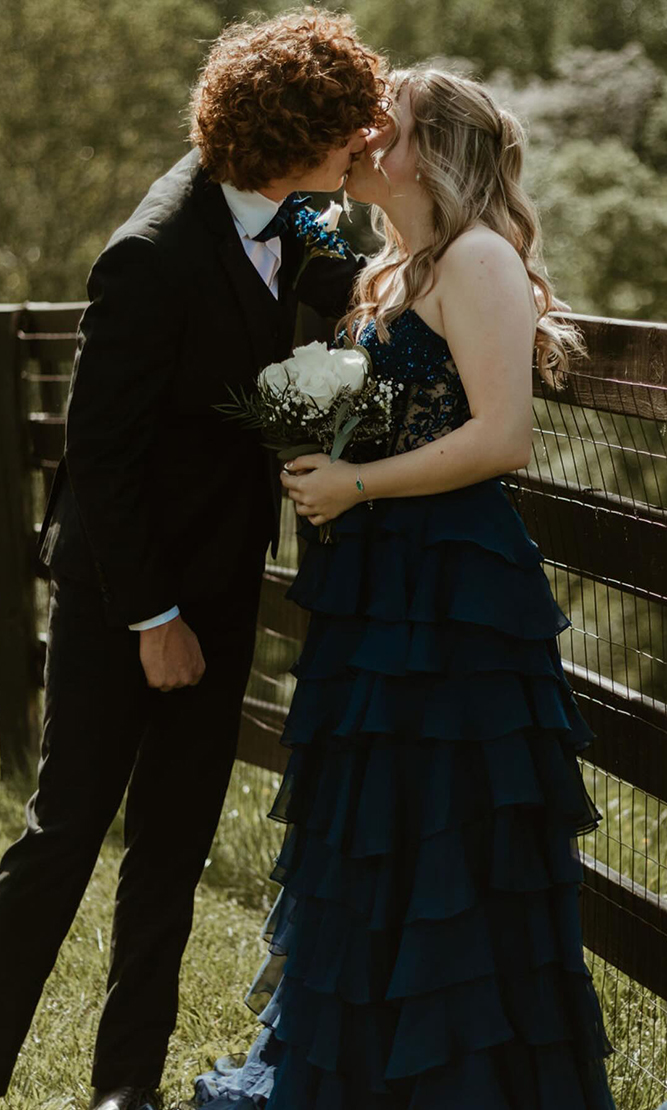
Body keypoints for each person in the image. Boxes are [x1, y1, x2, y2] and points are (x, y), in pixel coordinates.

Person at [187, 66, 618, 1110]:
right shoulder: (395, 264)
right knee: (374, 830)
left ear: (435, 151)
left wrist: (356, 478)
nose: (367, 135)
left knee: (448, 839)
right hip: (384, 593)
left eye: (392, 124)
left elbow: (503, 438)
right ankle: (374, 1075)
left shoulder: (476, 260)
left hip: (457, 599)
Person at [0, 11, 388, 1110]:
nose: (364, 139)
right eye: (346, 126)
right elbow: (102, 464)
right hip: (125, 592)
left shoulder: (300, 216)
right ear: (291, 136)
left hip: (221, 581)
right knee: (66, 839)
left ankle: (126, 1090)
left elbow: (308, 338)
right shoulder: (149, 257)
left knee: (171, 847)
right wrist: (153, 618)